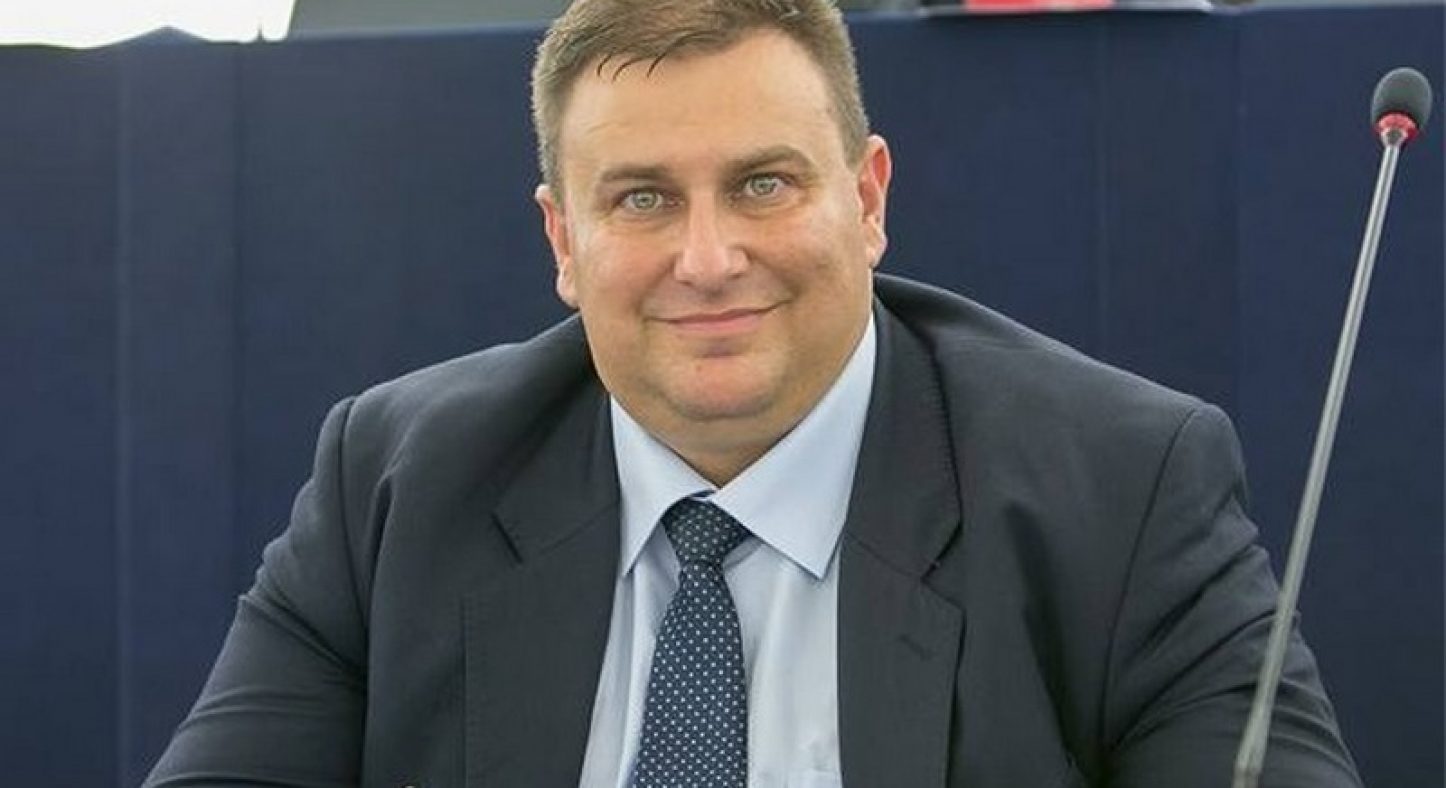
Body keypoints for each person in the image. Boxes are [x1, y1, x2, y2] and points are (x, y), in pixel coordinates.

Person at [146, 1, 1361, 785]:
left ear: (868, 199)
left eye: (764, 184)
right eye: (643, 198)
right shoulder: (399, 482)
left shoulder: (1121, 488)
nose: (709, 258)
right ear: (562, 240)